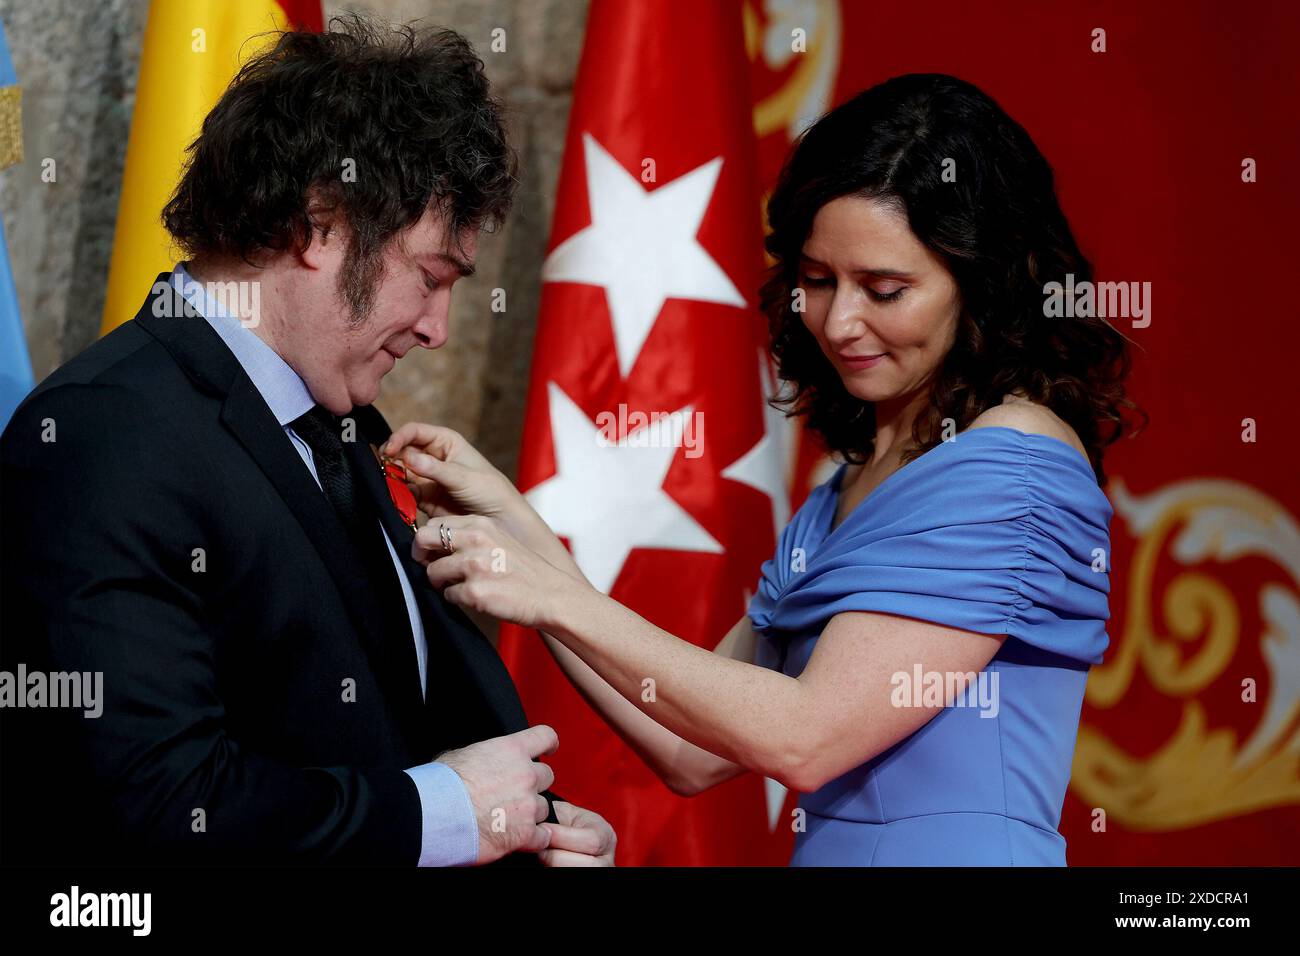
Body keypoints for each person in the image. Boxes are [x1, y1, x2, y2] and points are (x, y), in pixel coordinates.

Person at [386, 73, 1143, 866]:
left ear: (983, 285)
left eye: (884, 290)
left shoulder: (1013, 464)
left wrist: (549, 589)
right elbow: (687, 749)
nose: (839, 322)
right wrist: (518, 529)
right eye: (817, 281)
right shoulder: (844, 490)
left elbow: (805, 738)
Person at [0, 16, 613, 867]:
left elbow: (402, 721)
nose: (438, 329)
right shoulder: (103, 436)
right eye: (430, 278)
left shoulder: (342, 419)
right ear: (319, 225)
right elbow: (161, 802)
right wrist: (443, 814)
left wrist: (537, 824)